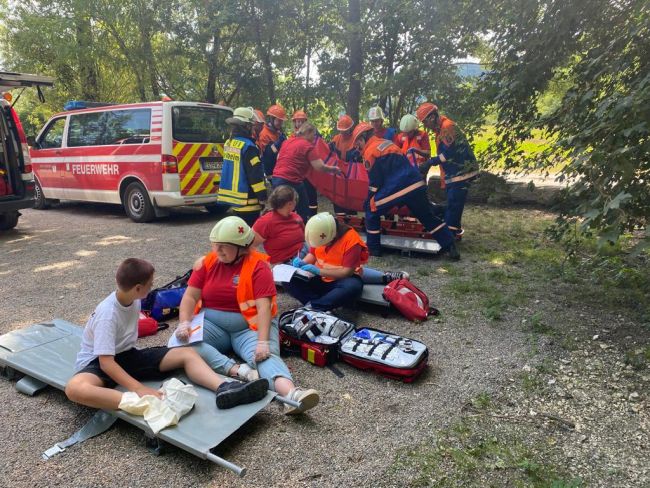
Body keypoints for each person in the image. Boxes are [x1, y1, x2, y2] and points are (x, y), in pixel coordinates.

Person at [65, 258, 269, 412]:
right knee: (74, 389)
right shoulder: (107, 314)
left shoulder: (132, 299)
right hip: (97, 364)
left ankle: (226, 388)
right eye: (150, 284)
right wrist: (139, 388)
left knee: (186, 353)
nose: (152, 287)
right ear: (138, 288)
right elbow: (106, 363)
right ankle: (142, 403)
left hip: (126, 356)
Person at [176, 217, 320, 415]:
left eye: (223, 247)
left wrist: (263, 342)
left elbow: (264, 308)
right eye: (215, 246)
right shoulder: (207, 263)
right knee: (178, 343)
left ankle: (292, 394)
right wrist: (184, 323)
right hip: (213, 325)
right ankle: (238, 371)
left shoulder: (258, 267)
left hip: (248, 329)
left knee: (264, 357)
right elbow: (190, 296)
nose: (217, 251)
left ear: (241, 247)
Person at [351, 122, 460, 260]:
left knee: (371, 209)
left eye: (357, 144)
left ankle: (374, 250)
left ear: (362, 139)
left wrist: (369, 198)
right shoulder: (388, 143)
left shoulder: (369, 152)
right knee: (426, 216)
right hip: (415, 183)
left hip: (397, 187)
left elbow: (375, 182)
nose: (357, 148)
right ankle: (449, 245)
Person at [416, 102, 479, 239]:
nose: (425, 126)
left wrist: (430, 163)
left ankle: (449, 237)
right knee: (452, 204)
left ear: (431, 117)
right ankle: (454, 231)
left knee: (454, 205)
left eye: (425, 122)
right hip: (456, 172)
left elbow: (448, 154)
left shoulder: (446, 127)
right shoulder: (441, 129)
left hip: (460, 172)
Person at [283, 212, 367, 311]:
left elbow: (346, 272)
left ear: (333, 235)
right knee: (287, 280)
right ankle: (318, 305)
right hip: (319, 278)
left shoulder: (351, 241)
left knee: (352, 287)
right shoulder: (320, 234)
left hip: (342, 280)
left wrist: (318, 271)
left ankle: (314, 307)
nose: (323, 245)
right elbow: (312, 254)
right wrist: (301, 264)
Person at [272, 122, 341, 223]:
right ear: (308, 133)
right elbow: (319, 167)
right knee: (303, 205)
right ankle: (301, 227)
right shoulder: (307, 146)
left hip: (276, 178)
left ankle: (280, 229)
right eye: (313, 135)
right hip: (292, 180)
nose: (314, 138)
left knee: (279, 208)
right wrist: (333, 169)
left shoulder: (287, 142)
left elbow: (279, 157)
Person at [217, 107, 267, 226]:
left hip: (235, 201)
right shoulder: (249, 147)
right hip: (248, 201)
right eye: (251, 125)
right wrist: (262, 196)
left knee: (240, 235)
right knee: (249, 237)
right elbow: (255, 175)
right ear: (246, 126)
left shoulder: (229, 143)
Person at [252, 185, 306, 265]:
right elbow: (250, 245)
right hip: (284, 264)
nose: (296, 201)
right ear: (289, 204)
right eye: (295, 199)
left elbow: (305, 237)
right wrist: (263, 264)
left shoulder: (296, 217)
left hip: (303, 255)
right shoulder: (266, 221)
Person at [258, 104, 287, 178]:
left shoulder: (278, 132)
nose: (280, 123)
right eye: (279, 120)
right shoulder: (264, 134)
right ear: (272, 119)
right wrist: (278, 143)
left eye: (281, 121)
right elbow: (268, 154)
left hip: (279, 169)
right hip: (269, 172)